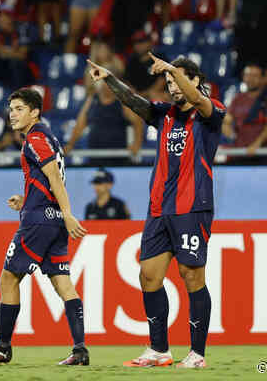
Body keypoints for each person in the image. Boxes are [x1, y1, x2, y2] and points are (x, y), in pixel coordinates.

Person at [88, 53, 226, 369]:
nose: (172, 86)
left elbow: (198, 100)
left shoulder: (210, 112)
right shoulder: (164, 115)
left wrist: (173, 70)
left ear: (195, 81)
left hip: (192, 207)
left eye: (178, 79)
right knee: (148, 276)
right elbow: (135, 102)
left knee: (192, 276)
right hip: (159, 208)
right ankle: (158, 349)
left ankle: (197, 354)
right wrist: (110, 79)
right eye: (167, 82)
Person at [0, 87, 89, 366]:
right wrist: (27, 200)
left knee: (8, 278)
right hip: (52, 218)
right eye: (11, 110)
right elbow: (48, 181)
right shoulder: (50, 139)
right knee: (63, 284)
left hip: (40, 221)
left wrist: (68, 213)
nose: (13, 115)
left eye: (19, 109)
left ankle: (2, 346)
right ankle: (80, 350)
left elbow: (55, 178)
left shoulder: (35, 138)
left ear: (35, 112)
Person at [65, 64, 144, 164]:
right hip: (95, 156)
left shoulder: (122, 101)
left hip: (118, 158)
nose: (106, 85)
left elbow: (138, 122)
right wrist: (70, 144)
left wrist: (137, 143)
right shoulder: (92, 100)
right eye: (104, 81)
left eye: (109, 81)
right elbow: (80, 125)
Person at [221, 64, 267, 161]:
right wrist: (228, 130)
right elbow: (226, 120)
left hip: (263, 154)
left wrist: (257, 144)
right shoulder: (238, 98)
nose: (250, 79)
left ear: (263, 79)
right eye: (247, 75)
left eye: (254, 76)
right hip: (240, 153)